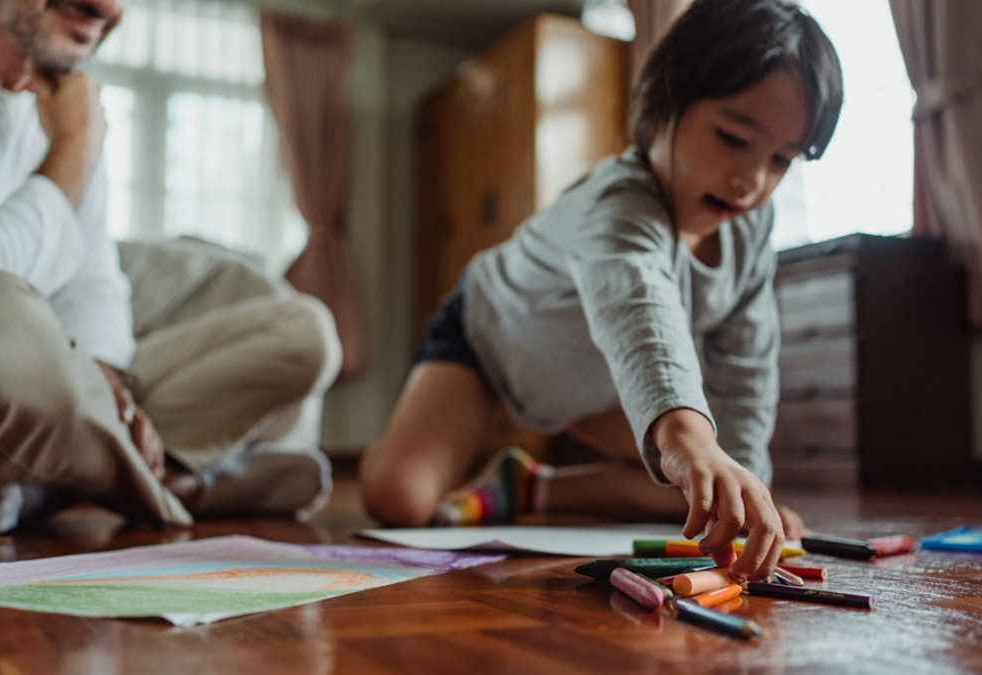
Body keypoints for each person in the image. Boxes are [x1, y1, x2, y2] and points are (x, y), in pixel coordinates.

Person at [360, 0, 843, 582]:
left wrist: (746, 491)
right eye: (732, 137)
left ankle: (531, 489)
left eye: (782, 160)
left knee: (709, 491)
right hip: (493, 341)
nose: (752, 180)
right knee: (398, 499)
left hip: (600, 387)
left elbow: (748, 364)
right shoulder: (620, 204)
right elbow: (642, 317)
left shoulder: (748, 231)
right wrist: (689, 438)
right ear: (667, 101)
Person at [0, 0, 341, 534]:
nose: (110, 7)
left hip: (37, 396)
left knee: (303, 330)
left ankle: (63, 480)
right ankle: (165, 486)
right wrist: (73, 150)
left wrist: (106, 378)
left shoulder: (66, 94)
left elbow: (93, 278)